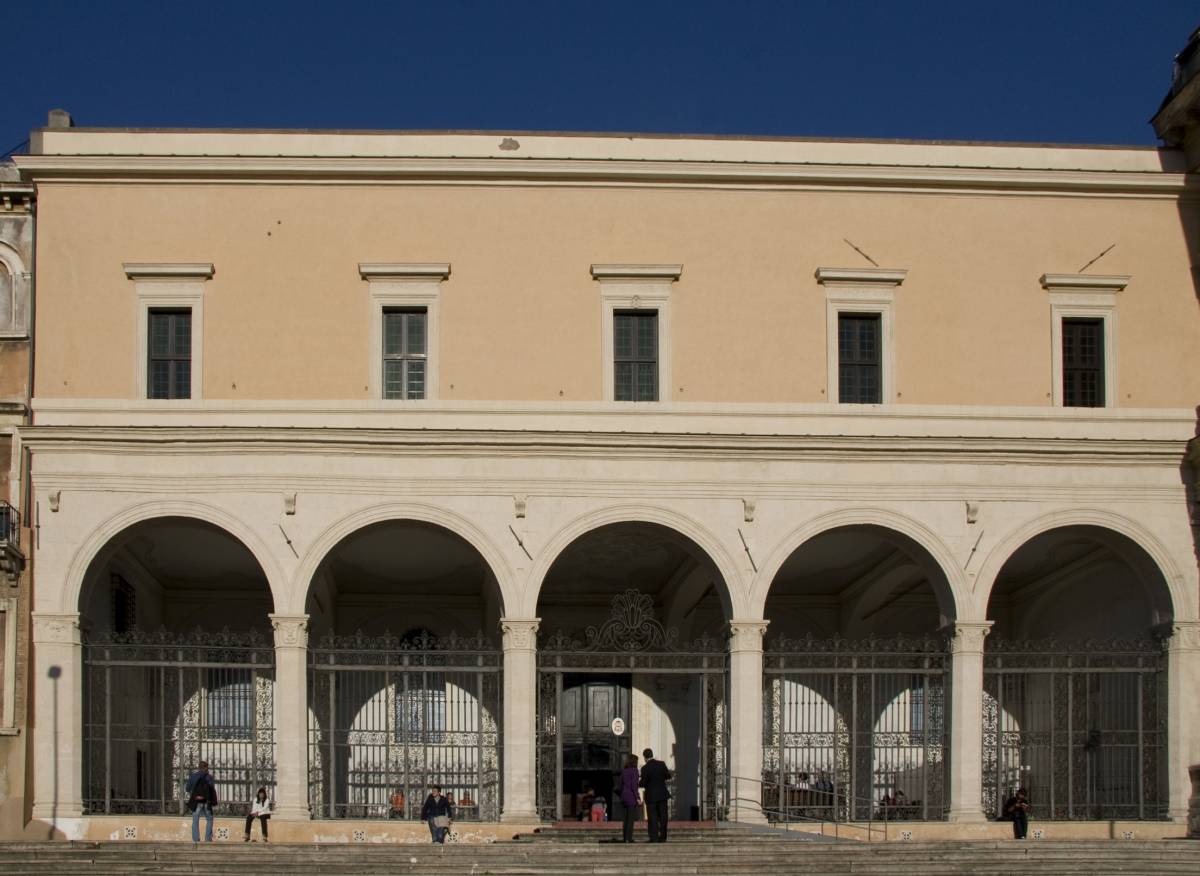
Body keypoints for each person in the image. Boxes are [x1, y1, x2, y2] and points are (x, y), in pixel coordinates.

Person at [638, 747, 672, 843]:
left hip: (651, 796)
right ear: (652, 755)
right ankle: (663, 837)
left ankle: (654, 837)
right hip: (662, 794)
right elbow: (668, 776)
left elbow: (643, 782)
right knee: (663, 816)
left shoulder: (645, 768)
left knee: (652, 817)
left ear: (645, 757)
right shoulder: (661, 764)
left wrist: (640, 783)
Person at [184, 760, 218, 843]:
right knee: (209, 819)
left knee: (195, 819)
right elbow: (212, 789)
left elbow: (187, 789)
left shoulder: (193, 776)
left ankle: (196, 839)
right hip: (206, 801)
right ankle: (207, 839)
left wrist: (195, 792)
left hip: (196, 802)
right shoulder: (209, 777)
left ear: (199, 767)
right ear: (206, 767)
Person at [620, 753, 641, 843]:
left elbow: (621, 785)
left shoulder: (624, 771)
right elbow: (634, 786)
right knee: (630, 819)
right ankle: (629, 838)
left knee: (625, 819)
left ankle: (625, 838)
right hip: (631, 797)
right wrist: (638, 798)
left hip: (624, 796)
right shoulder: (634, 770)